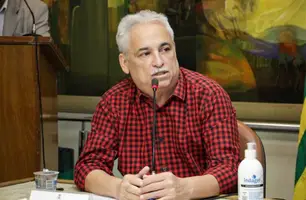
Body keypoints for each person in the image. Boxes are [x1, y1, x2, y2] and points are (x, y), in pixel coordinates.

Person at [74, 10, 240, 200]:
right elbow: (87, 166)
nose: (159, 62)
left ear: (175, 49)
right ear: (125, 63)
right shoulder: (114, 102)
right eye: (145, 53)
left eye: (165, 49)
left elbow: (230, 169)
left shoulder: (208, 95)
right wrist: (118, 188)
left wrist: (185, 188)